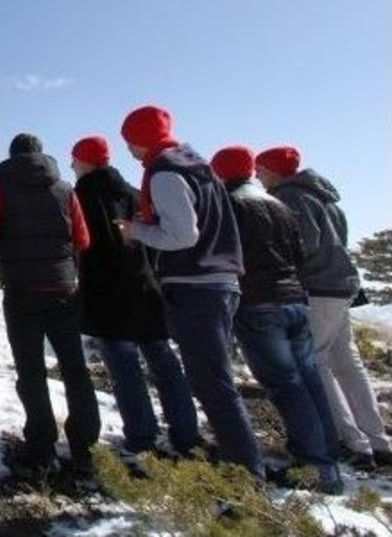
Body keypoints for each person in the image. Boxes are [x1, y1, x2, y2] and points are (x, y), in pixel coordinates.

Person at [118, 106, 264, 478]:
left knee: (213, 384)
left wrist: (136, 232)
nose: (130, 151)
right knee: (215, 380)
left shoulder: (165, 173)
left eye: (130, 141)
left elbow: (183, 235)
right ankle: (242, 462)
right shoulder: (199, 165)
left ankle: (246, 474)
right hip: (221, 280)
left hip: (195, 285)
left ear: (140, 138)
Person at [212, 146, 344, 493]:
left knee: (285, 385)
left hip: (258, 301)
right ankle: (327, 457)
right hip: (294, 299)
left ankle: (317, 466)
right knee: (308, 378)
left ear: (221, 172)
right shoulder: (278, 203)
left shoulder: (231, 203)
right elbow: (300, 252)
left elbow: (226, 252)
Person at [256, 145, 391, 470]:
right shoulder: (325, 197)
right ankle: (378, 441)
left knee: (315, 361)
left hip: (315, 287)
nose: (258, 177)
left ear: (274, 170)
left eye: (261, 170)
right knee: (346, 362)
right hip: (342, 285)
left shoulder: (290, 197)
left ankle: (352, 443)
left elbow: (304, 244)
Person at [71, 136, 201, 460]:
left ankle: (142, 438)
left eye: (75, 160)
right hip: (144, 286)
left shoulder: (81, 197)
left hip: (106, 293)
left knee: (125, 368)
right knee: (165, 364)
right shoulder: (133, 192)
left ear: (85, 161)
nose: (73, 166)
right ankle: (187, 435)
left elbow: (78, 243)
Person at [0, 134, 100, 482]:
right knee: (75, 367)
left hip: (21, 290)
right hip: (63, 288)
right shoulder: (65, 189)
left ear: (12, 154)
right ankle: (84, 445)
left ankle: (41, 445)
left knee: (30, 370)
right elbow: (83, 239)